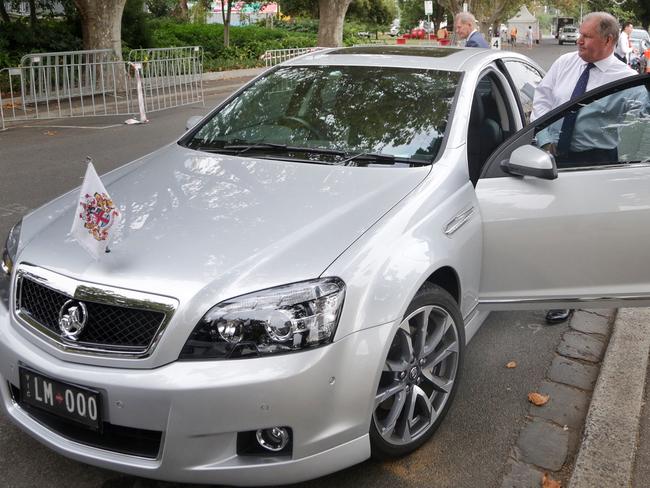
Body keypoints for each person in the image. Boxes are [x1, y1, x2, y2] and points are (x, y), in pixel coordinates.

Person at [531, 12, 637, 324]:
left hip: (595, 162)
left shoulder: (625, 78)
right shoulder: (566, 63)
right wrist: (545, 138)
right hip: (553, 155)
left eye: (587, 36)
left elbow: (636, 127)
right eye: (580, 34)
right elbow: (543, 97)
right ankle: (551, 286)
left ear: (608, 40)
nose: (579, 40)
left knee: (579, 231)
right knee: (552, 226)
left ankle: (569, 295)